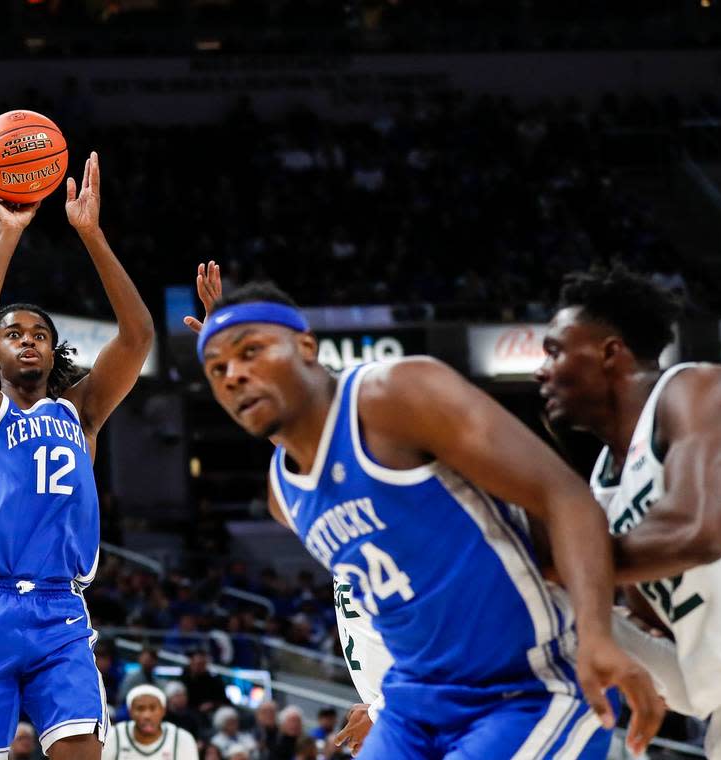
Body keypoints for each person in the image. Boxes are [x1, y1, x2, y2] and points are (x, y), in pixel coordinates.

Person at [186, 266, 663, 759]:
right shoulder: (282, 493)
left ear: (307, 347)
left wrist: (598, 633)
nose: (234, 374)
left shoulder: (397, 396)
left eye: (252, 352)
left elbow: (565, 495)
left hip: (524, 685)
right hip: (412, 701)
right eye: (217, 369)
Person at [0, 152, 154, 760]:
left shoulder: (79, 413)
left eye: (38, 333)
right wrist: (8, 233)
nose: (27, 339)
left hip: (61, 608)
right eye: (13, 334)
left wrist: (91, 234)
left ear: (54, 349)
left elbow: (137, 335)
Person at [536, 267, 721, 759]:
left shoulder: (697, 390)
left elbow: (699, 532)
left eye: (555, 350)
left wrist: (564, 566)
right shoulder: (602, 488)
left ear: (609, 351)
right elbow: (669, 637)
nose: (542, 371)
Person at [330, 576, 394, 756]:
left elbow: (441, 647)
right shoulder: (342, 559)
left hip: (412, 713)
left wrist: (378, 713)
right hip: (394, 716)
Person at [102, 686, 198, 760]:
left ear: (163, 710)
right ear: (130, 712)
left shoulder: (182, 739)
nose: (147, 715)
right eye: (140, 709)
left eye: (153, 708)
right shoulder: (114, 735)